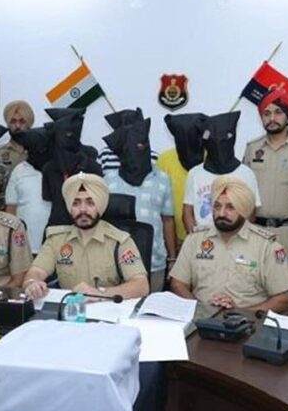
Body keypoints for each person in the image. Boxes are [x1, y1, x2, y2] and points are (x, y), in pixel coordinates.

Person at [170, 176, 288, 313]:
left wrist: (241, 314)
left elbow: (283, 298)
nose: (221, 213)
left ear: (244, 210)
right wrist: (201, 311)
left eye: (230, 207)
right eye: (217, 206)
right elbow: (178, 283)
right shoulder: (195, 239)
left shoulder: (267, 247)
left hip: (248, 321)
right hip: (200, 318)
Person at [243, 94, 288, 314]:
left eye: (278, 113)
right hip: (256, 232)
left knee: (285, 299)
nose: (272, 118)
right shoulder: (252, 147)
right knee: (252, 293)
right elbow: (244, 194)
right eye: (266, 113)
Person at [24, 172, 149, 300]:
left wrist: (99, 294)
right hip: (69, 309)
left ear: (99, 206)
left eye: (90, 203)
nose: (83, 209)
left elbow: (141, 285)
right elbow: (36, 271)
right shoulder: (57, 239)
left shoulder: (120, 241)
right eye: (76, 203)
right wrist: (33, 283)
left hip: (107, 308)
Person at [103, 115, 176, 292]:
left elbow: (168, 220)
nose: (140, 152)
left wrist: (172, 259)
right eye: (135, 148)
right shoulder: (108, 181)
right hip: (115, 263)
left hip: (154, 262)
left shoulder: (162, 179)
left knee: (152, 309)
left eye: (144, 147)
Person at [183, 111, 261, 232]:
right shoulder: (195, 173)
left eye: (223, 142)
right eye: (214, 142)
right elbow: (187, 211)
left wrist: (239, 238)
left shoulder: (246, 173)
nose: (219, 147)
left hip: (236, 237)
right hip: (203, 238)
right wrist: (194, 238)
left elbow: (251, 212)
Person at [158, 112, 208, 249]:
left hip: (208, 239)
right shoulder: (165, 159)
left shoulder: (212, 157)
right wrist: (170, 242)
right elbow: (159, 199)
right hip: (174, 239)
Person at [4, 126, 53, 254]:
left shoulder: (58, 169)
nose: (39, 151)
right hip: (25, 246)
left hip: (54, 246)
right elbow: (11, 208)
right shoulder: (19, 170)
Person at [0, 100, 34, 210]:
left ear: (29, 124)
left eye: (22, 121)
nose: (17, 126)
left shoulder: (39, 154)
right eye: (13, 121)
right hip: (3, 211)